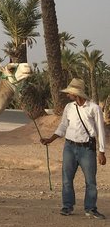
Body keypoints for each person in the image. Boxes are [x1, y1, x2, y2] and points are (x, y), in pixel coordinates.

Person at [41, 78, 106, 219]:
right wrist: (50, 139)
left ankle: (91, 208)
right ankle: (67, 206)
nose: (67, 95)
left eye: (69, 92)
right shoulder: (69, 107)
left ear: (76, 93)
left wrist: (101, 151)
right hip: (69, 147)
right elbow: (63, 126)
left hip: (87, 149)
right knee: (66, 179)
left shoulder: (93, 108)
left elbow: (100, 131)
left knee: (90, 181)